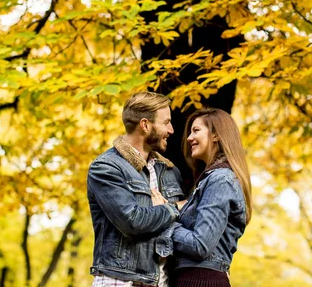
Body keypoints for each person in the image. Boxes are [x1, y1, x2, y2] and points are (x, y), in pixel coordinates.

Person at [88, 92, 185, 286]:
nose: (172, 130)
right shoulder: (106, 168)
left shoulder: (169, 171)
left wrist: (160, 213)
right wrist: (174, 208)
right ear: (145, 125)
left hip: (162, 281)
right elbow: (133, 222)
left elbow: (183, 226)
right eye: (166, 122)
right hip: (120, 281)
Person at [155, 107, 252, 287]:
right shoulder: (210, 179)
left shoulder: (220, 179)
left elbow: (200, 244)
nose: (189, 138)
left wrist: (164, 220)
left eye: (196, 130)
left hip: (200, 280)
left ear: (216, 135)